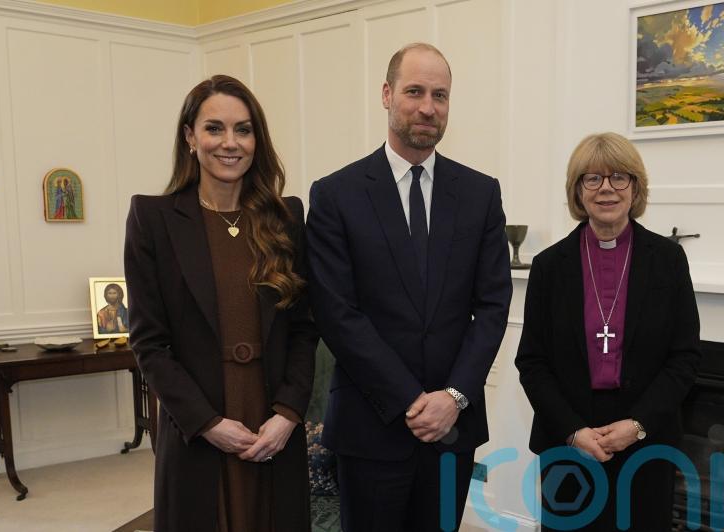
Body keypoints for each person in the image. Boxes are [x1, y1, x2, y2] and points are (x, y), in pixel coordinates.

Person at [306, 43, 512, 531]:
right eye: (414, 91)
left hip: (452, 430)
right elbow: (336, 312)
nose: (427, 107)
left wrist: (453, 397)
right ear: (387, 94)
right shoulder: (336, 194)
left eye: (440, 95)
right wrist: (410, 400)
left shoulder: (480, 193)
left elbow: (493, 305)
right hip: (370, 425)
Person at [124, 74, 317, 532]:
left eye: (243, 130)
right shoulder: (153, 219)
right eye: (214, 128)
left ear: (256, 140)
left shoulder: (286, 217)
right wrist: (208, 423)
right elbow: (149, 344)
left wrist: (288, 414)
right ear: (190, 137)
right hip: (198, 427)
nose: (230, 143)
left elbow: (305, 328)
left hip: (273, 423)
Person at [515, 132, 701, 530]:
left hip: (646, 439)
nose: (606, 188)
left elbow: (684, 357)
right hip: (569, 441)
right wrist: (573, 431)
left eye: (619, 177)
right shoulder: (549, 266)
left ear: (635, 187)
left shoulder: (668, 260)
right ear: (577, 190)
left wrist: (637, 425)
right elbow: (532, 362)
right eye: (592, 178)